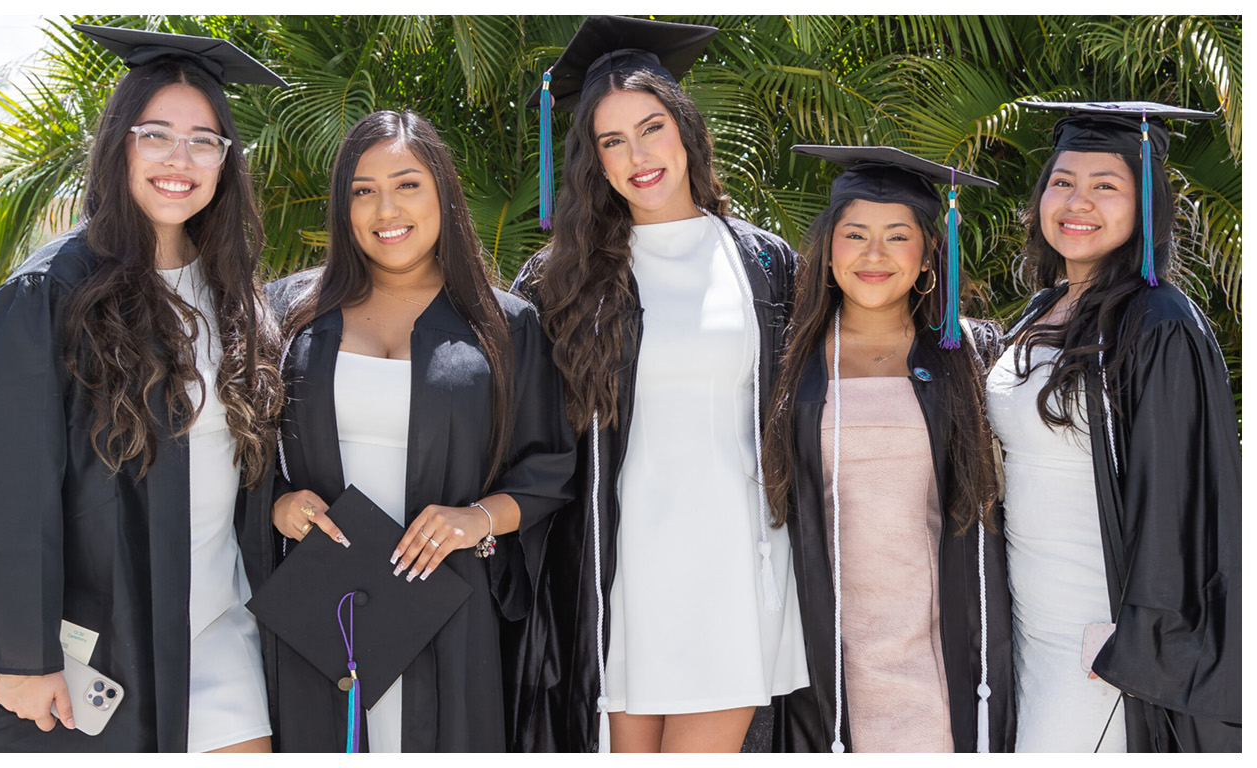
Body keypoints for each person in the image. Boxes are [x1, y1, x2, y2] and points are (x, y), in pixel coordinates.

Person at [0, 24, 288, 752]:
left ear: (225, 160)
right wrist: (18, 653)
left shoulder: (236, 297)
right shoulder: (56, 291)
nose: (180, 160)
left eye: (203, 141)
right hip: (108, 637)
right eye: (157, 136)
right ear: (119, 145)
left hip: (219, 622)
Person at [509, 16, 810, 753]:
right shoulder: (561, 281)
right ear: (594, 161)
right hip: (616, 568)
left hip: (732, 563)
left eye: (651, 129)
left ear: (686, 130)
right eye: (612, 141)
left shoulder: (763, 263)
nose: (638, 156)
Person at [260, 109, 576, 753]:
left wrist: (477, 519)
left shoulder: (504, 324)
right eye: (363, 190)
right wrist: (278, 504)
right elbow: (239, 449)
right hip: (322, 593)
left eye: (407, 184)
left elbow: (549, 466)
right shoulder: (287, 313)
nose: (386, 210)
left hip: (447, 598)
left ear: (443, 194)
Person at [987, 100, 1240, 752]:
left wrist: (1141, 639)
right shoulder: (1043, 309)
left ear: (1144, 207)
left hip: (1098, 637)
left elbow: (1180, 496)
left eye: (1106, 186)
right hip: (1028, 622)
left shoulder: (1158, 322)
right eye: (1063, 181)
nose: (1078, 202)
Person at [763, 146, 1015, 753]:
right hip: (825, 650)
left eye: (897, 236)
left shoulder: (970, 358)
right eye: (855, 235)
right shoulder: (785, 362)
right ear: (828, 251)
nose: (873, 254)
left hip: (944, 647)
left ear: (928, 257)